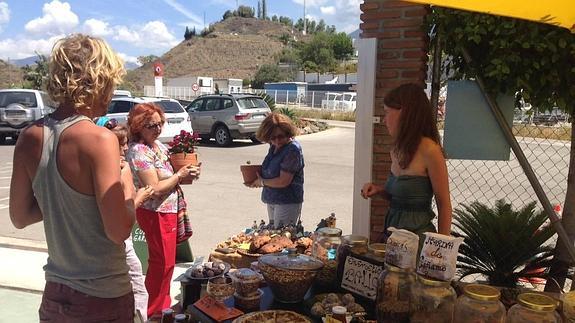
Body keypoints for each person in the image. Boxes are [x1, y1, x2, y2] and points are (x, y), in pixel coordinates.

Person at [9, 34, 135, 322]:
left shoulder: (29, 136)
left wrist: (66, 199)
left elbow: (20, 216)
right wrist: (125, 181)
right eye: (111, 82)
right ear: (97, 80)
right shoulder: (99, 139)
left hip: (55, 292)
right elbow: (119, 231)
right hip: (104, 296)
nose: (112, 91)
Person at [125, 102, 200, 319]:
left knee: (166, 263)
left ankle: (160, 306)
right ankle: (155, 311)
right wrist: (180, 175)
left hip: (166, 211)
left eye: (160, 124)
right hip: (156, 212)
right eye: (151, 126)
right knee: (161, 263)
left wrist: (187, 175)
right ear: (138, 126)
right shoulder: (139, 151)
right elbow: (155, 189)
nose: (158, 129)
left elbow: (170, 178)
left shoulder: (158, 146)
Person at [361, 83, 452, 240]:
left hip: (416, 241)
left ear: (404, 113)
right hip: (392, 238)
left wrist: (441, 251)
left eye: (387, 112)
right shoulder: (397, 149)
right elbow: (400, 199)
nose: (384, 119)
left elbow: (444, 205)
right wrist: (378, 190)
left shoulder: (430, 150)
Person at [96, 116, 153, 321]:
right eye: (119, 144)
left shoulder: (109, 168)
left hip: (118, 241)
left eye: (125, 142)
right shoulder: (115, 171)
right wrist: (138, 196)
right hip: (118, 242)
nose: (124, 148)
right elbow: (121, 216)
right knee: (137, 288)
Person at [247, 113, 305, 228]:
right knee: (273, 234)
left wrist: (262, 182)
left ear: (288, 133)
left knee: (281, 236)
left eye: (281, 136)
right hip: (273, 199)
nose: (277, 141)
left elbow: (283, 181)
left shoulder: (292, 149)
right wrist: (255, 179)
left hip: (287, 201)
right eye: (272, 138)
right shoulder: (274, 146)